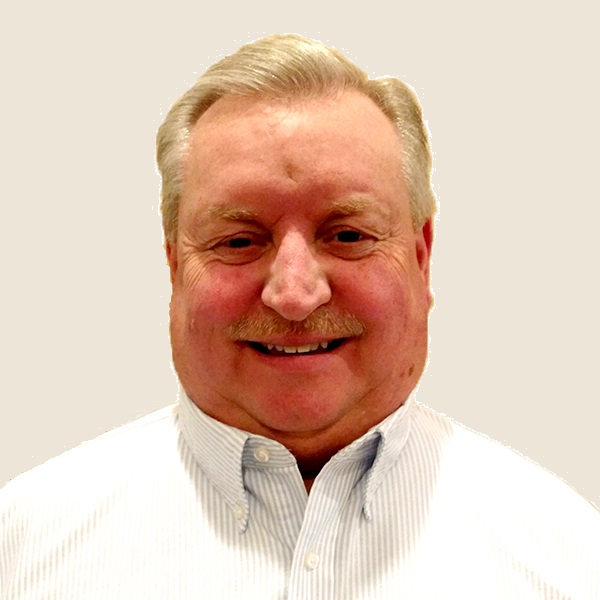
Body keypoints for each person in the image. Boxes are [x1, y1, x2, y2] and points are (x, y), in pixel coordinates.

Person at [1, 34, 598, 599]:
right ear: (174, 265)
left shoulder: (569, 557)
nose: (293, 295)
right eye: (238, 241)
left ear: (422, 257)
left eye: (348, 234)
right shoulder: (22, 548)